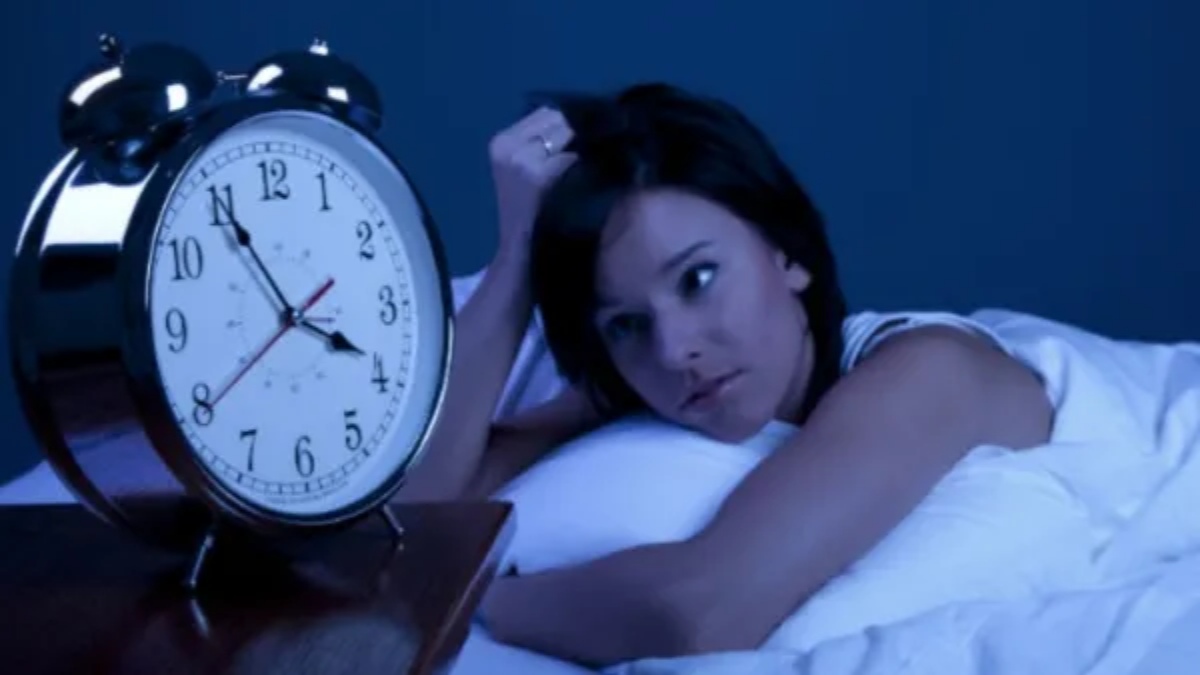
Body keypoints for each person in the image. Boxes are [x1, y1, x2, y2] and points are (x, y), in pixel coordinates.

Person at [398, 83, 1054, 666]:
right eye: (626, 323)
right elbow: (418, 515)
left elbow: (694, 613)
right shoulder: (647, 382)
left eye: (698, 278)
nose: (673, 349)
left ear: (788, 252)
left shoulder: (929, 370)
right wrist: (517, 257)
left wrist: (483, 593)